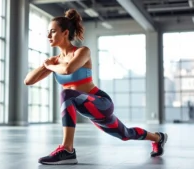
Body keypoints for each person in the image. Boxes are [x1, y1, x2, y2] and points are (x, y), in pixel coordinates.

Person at [24, 9, 168, 165]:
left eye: (52, 32)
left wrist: (50, 67)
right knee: (125, 134)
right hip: (89, 110)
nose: (48, 36)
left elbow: (68, 69)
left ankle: (67, 149)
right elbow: (28, 81)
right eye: (48, 32)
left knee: (66, 94)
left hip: (101, 102)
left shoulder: (82, 52)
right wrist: (45, 65)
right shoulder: (54, 61)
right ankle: (158, 138)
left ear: (65, 33)